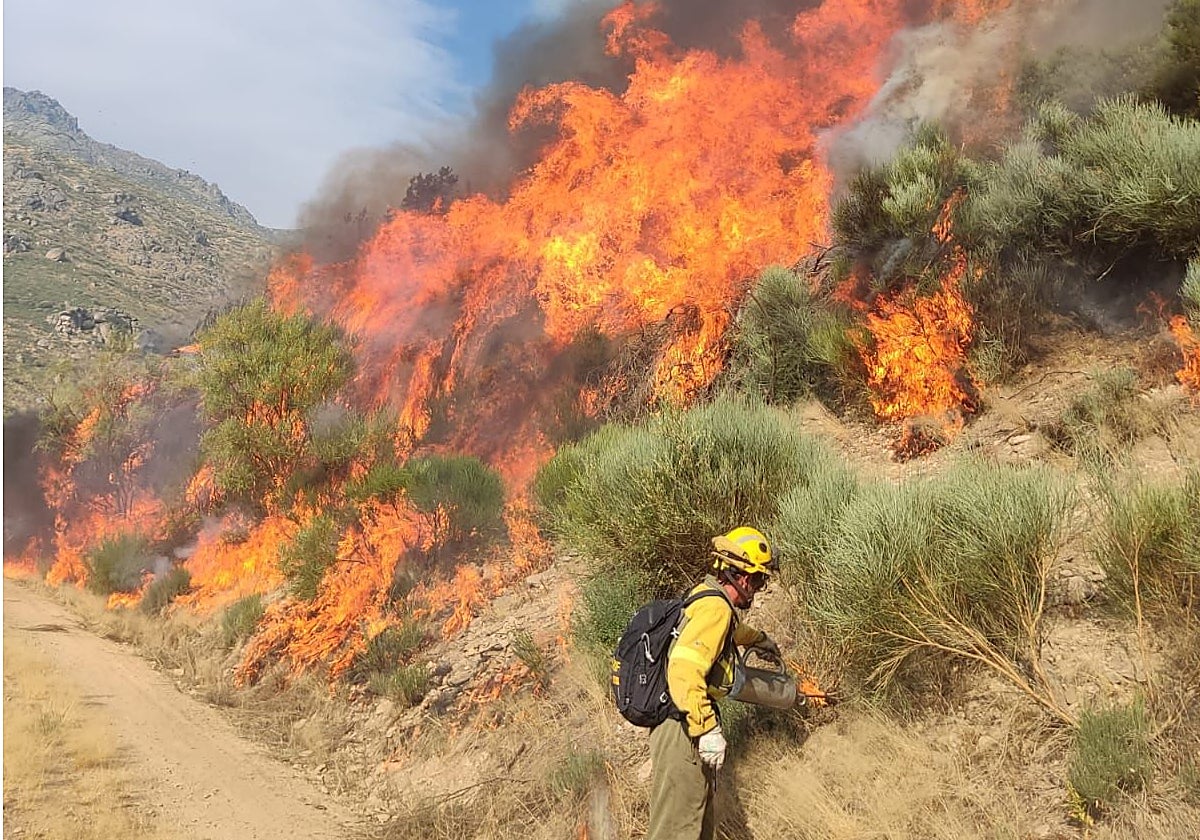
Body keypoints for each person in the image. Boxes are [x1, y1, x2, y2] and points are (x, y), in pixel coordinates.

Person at [645, 526, 782, 840]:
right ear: (743, 576)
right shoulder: (716, 608)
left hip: (680, 723)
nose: (759, 588)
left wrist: (758, 639)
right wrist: (706, 727)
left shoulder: (707, 597)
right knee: (677, 830)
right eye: (760, 579)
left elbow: (726, 633)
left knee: (698, 823)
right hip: (682, 727)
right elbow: (682, 669)